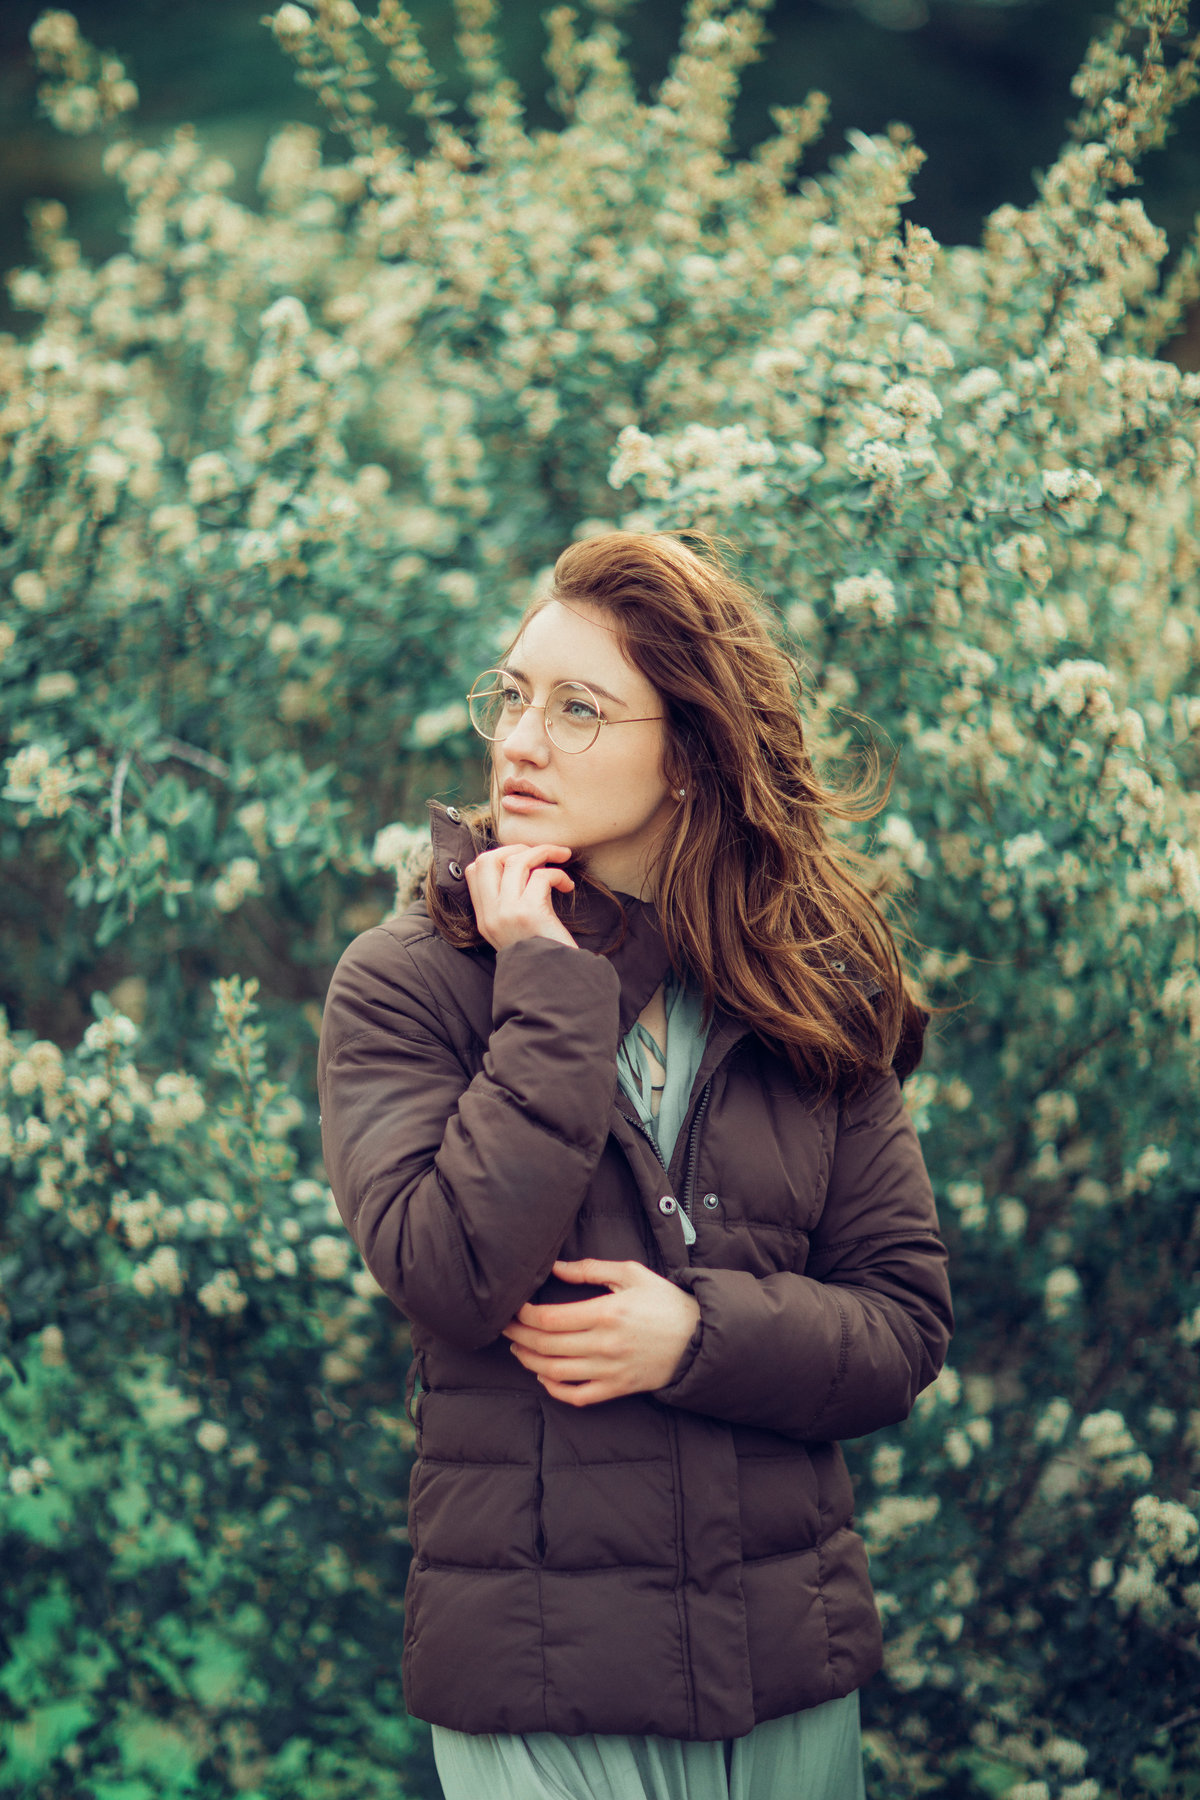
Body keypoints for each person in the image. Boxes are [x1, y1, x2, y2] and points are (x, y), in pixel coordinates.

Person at [317, 531, 953, 1800]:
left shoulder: (806, 989)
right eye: (511, 697)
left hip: (786, 1683)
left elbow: (901, 1326)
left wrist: (695, 1337)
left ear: (691, 752)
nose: (518, 742)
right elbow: (449, 1272)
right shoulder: (407, 985)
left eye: (577, 709)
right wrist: (548, 986)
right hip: (538, 1695)